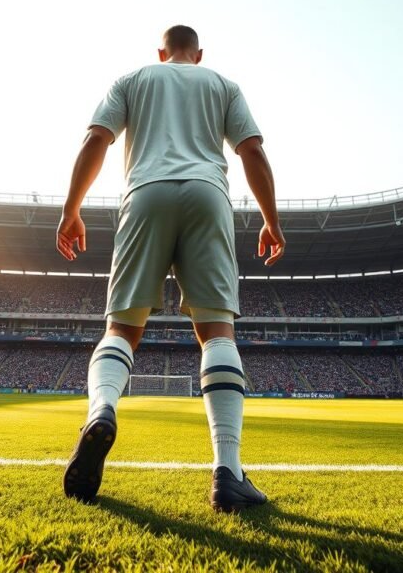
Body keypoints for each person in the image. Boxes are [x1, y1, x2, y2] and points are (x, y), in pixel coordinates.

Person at [56, 25, 284, 512]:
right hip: (208, 194)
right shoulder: (222, 84)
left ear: (161, 51)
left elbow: (96, 140)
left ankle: (101, 412)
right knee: (217, 333)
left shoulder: (134, 79)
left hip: (145, 193)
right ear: (198, 54)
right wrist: (271, 221)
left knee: (122, 328)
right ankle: (228, 473)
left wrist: (70, 209)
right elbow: (252, 153)